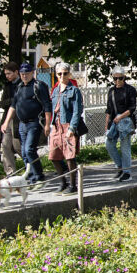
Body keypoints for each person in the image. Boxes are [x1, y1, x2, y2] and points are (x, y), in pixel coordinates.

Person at [4, 63, 52, 183]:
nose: (24, 76)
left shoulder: (38, 86)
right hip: (22, 124)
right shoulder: (19, 87)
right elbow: (13, 106)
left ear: (32, 73)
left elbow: (47, 105)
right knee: (24, 152)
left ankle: (39, 176)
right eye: (22, 74)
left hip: (34, 123)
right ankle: (31, 177)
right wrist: (6, 122)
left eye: (27, 73)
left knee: (29, 149)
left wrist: (47, 124)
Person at [49, 63, 84, 194]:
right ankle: (62, 182)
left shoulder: (74, 90)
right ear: (56, 75)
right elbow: (52, 108)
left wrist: (72, 128)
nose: (62, 76)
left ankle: (73, 185)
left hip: (68, 125)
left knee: (70, 156)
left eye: (65, 73)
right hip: (56, 125)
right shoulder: (55, 90)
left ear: (69, 74)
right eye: (59, 74)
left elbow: (77, 111)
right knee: (54, 156)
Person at [105, 66, 137, 180]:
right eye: (115, 78)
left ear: (124, 78)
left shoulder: (130, 90)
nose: (118, 81)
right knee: (109, 144)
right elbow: (109, 109)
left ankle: (127, 172)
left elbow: (132, 108)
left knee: (125, 147)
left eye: (120, 78)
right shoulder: (112, 91)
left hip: (125, 121)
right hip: (114, 122)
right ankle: (120, 167)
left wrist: (120, 117)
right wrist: (107, 126)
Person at [0, 61, 22, 176]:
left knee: (18, 146)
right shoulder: (8, 86)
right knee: (5, 144)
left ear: (16, 72)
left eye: (9, 73)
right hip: (8, 118)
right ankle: (10, 172)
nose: (7, 76)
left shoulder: (23, 84)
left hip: (19, 119)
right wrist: (12, 101)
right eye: (5, 74)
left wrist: (13, 102)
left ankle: (32, 167)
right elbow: (1, 103)